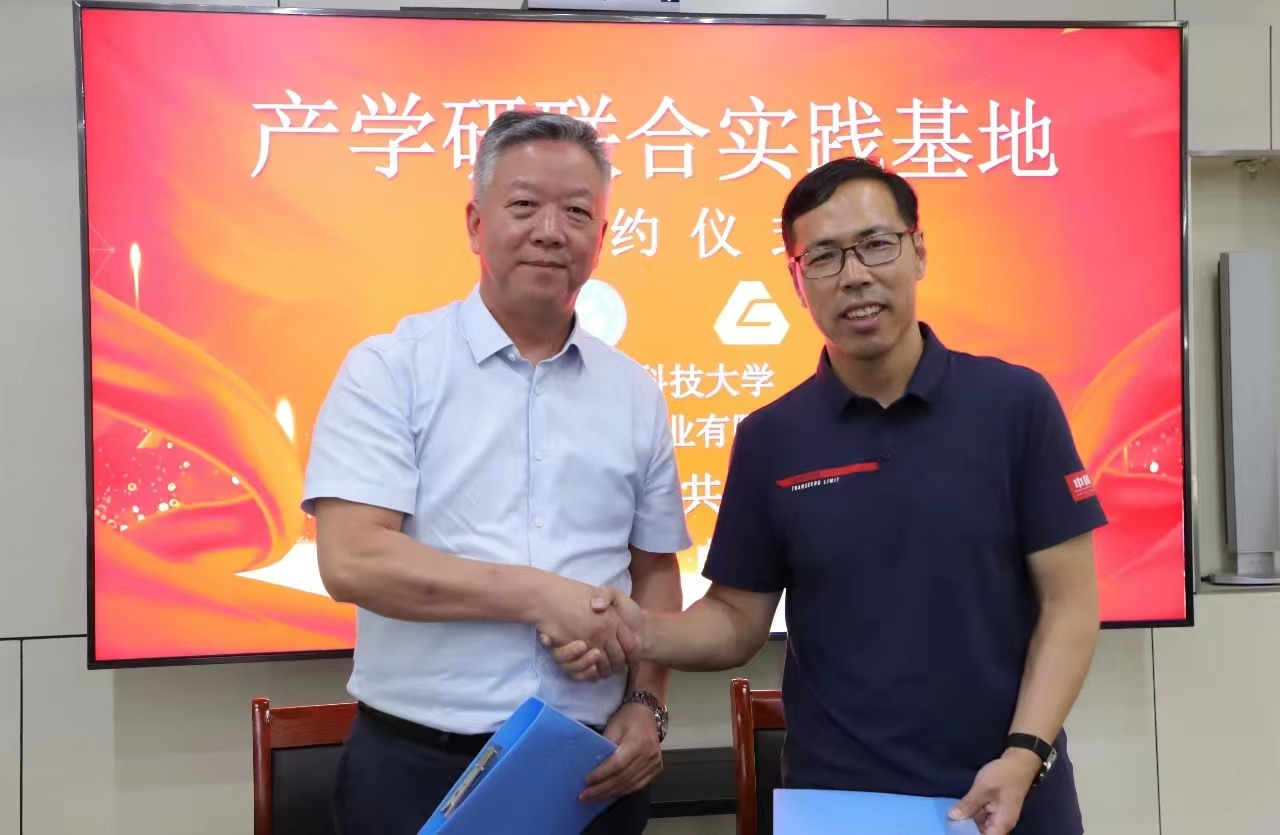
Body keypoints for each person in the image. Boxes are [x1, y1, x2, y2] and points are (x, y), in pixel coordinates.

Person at [549, 157, 1105, 835]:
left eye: (876, 244)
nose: (855, 274)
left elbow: (1070, 605)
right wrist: (633, 628)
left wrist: (1024, 754)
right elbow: (736, 619)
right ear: (797, 280)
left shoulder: (1015, 404)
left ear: (918, 251)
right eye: (824, 256)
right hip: (841, 802)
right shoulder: (772, 438)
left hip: (1011, 790)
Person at [302, 109, 691, 835]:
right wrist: (543, 598)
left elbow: (654, 570)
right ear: (476, 224)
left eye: (577, 212)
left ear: (602, 237)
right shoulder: (391, 368)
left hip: (590, 766)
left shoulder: (635, 391)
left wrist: (647, 702)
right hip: (418, 764)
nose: (550, 231)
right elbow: (352, 559)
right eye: (524, 205)